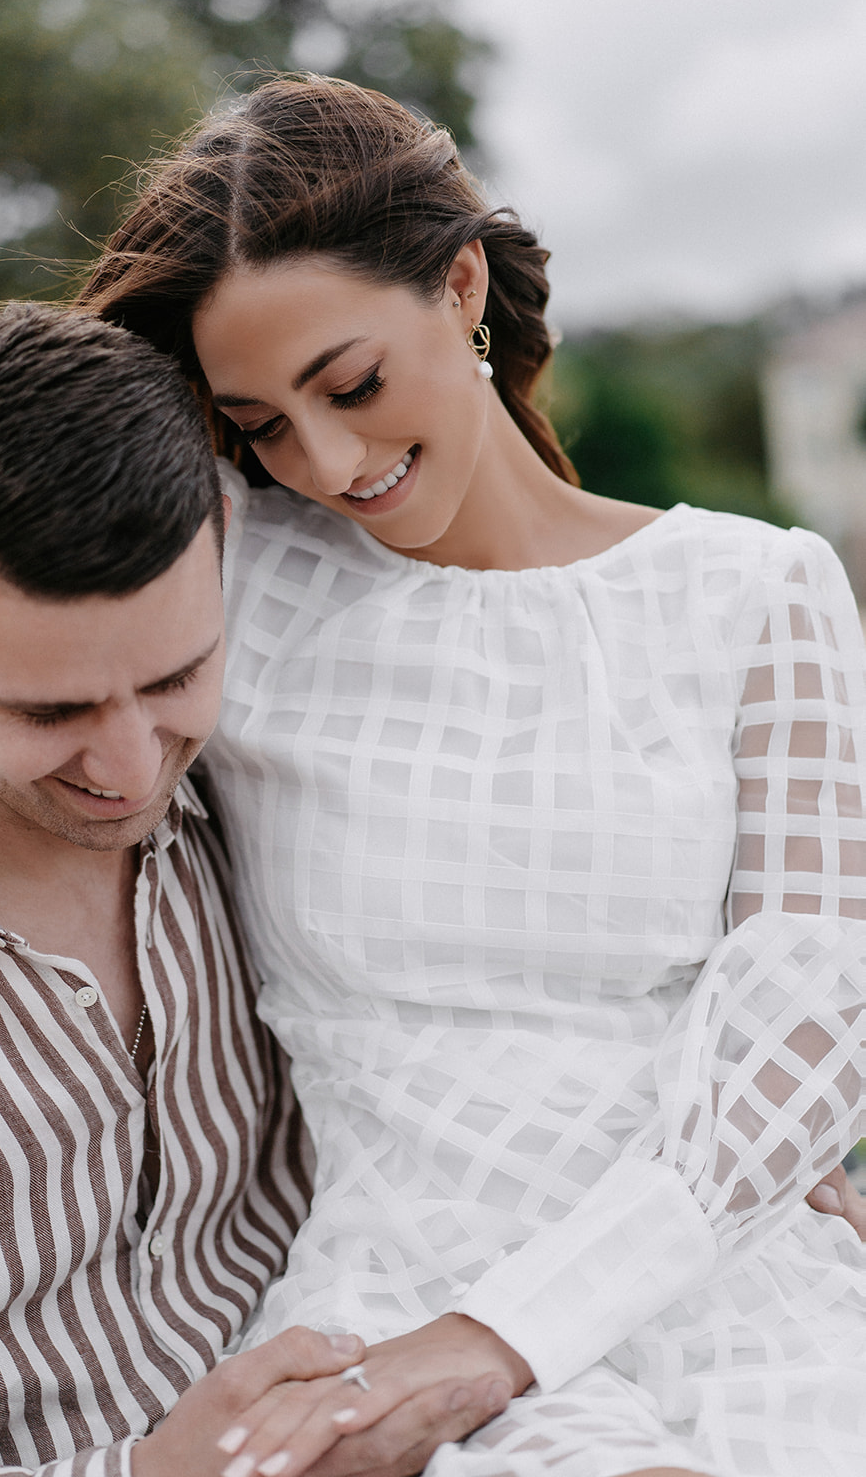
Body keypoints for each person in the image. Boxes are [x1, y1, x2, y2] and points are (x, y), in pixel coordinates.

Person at [68, 75, 866, 1477]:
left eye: (351, 386)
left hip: (711, 1266)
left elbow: (801, 1033)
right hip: (391, 1288)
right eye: (260, 424)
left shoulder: (756, 591)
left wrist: (499, 1334)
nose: (326, 463)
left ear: (458, 287)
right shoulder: (232, 583)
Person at [0, 303, 513, 1477]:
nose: (130, 769)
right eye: (51, 710)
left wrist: (750, 1160)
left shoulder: (275, 789)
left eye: (176, 676)